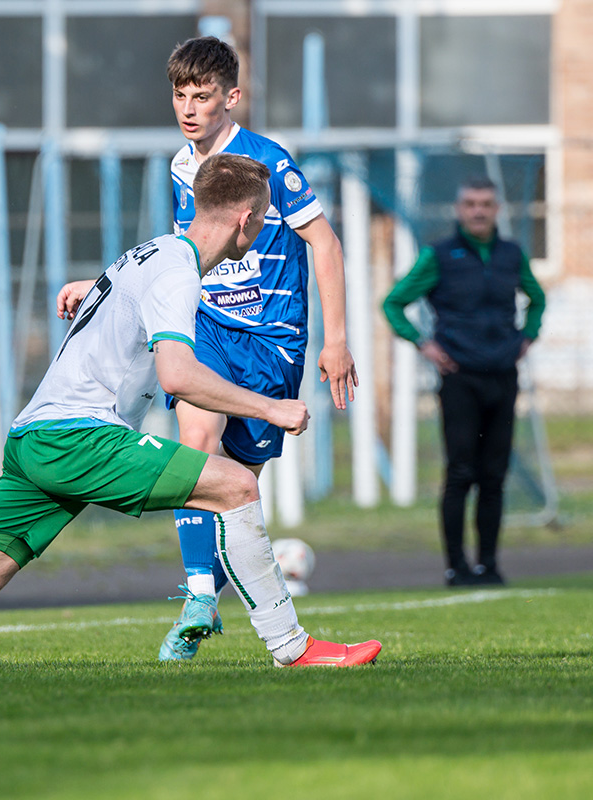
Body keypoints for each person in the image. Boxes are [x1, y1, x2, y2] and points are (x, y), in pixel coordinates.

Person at [0, 154, 381, 669]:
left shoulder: (150, 253)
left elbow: (119, 313)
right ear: (246, 219)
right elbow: (177, 375)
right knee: (236, 486)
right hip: (78, 436)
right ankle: (293, 648)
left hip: (35, 435)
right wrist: (271, 407)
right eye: (264, 219)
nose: (263, 228)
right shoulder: (179, 273)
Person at [161, 36, 357, 661]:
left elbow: (324, 243)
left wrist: (336, 340)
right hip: (209, 325)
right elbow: (186, 252)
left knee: (237, 488)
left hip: (273, 342)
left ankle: (211, 600)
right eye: (180, 96)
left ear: (232, 97)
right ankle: (197, 596)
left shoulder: (270, 162)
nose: (189, 108)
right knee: (196, 445)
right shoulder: (180, 167)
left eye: (202, 96)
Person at [382, 176, 546, 587]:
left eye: (486, 204)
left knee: (494, 475)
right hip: (460, 379)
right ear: (459, 209)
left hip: (503, 377)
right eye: (471, 203)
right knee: (460, 473)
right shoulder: (439, 255)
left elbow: (537, 298)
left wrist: (528, 335)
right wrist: (424, 344)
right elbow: (394, 303)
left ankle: (489, 565)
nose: (478, 211)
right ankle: (457, 566)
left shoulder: (511, 254)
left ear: (496, 210)